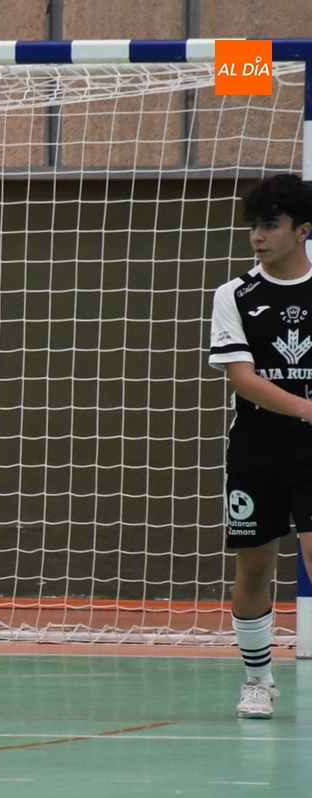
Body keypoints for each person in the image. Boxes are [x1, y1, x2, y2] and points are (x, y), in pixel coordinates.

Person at [208, 173, 312, 719]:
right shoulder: (234, 295)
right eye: (254, 225)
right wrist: (307, 408)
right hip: (257, 450)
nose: (258, 236)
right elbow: (243, 380)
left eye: (270, 225)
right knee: (254, 567)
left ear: (302, 230)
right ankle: (257, 679)